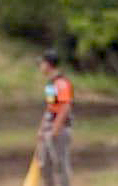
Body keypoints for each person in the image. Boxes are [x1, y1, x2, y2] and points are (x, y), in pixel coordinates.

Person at [37, 48, 74, 186]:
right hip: (50, 127)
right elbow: (51, 107)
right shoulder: (50, 83)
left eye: (42, 63)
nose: (40, 67)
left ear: (48, 64)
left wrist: (55, 129)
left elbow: (65, 107)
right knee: (44, 164)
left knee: (60, 164)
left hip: (60, 129)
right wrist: (42, 128)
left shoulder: (61, 83)